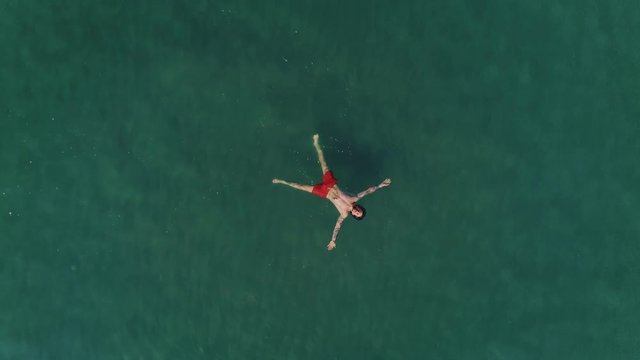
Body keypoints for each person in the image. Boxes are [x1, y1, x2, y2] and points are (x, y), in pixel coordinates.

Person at [272, 134, 391, 251]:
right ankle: (316, 144)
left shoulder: (344, 213)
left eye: (356, 214)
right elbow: (368, 191)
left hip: (324, 193)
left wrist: (333, 240)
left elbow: (337, 227)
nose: (356, 211)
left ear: (354, 216)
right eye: (359, 211)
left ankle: (282, 182)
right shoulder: (354, 198)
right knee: (323, 163)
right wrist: (380, 185)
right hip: (331, 184)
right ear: (359, 208)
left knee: (301, 186)